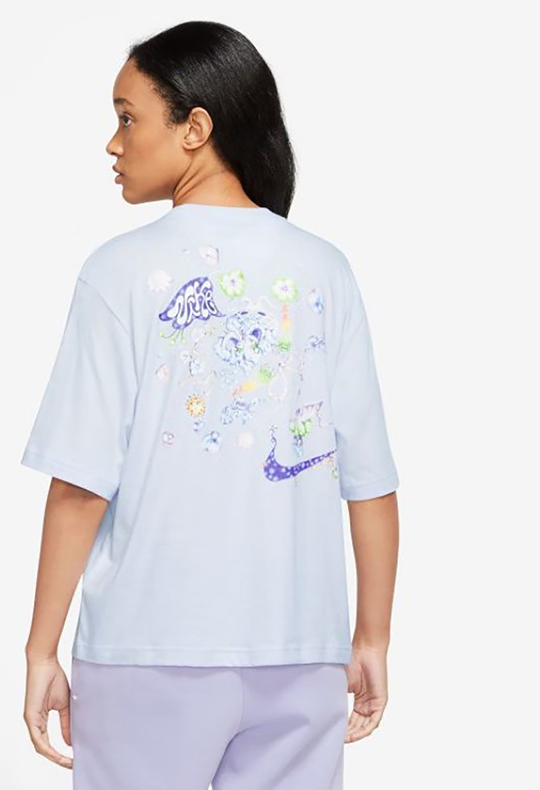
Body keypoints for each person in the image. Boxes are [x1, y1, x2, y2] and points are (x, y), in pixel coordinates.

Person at [20, 20, 400, 790]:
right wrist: (370, 639)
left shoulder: (118, 273)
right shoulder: (324, 270)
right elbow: (370, 483)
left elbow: (81, 484)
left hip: (148, 651)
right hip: (302, 653)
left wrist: (40, 650)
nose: (113, 143)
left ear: (195, 128)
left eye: (128, 118)